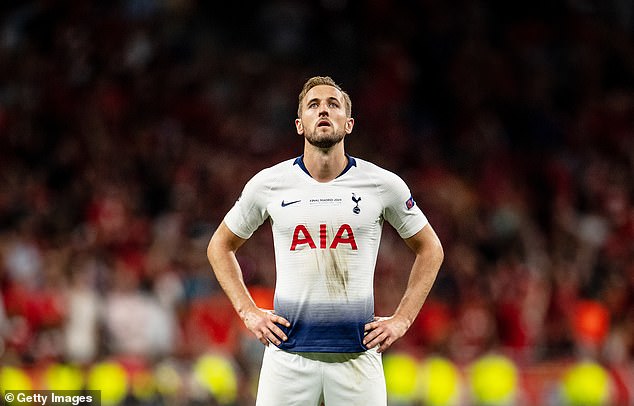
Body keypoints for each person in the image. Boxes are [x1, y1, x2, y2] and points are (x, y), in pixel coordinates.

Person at [207, 76, 444, 406]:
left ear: (348, 124)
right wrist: (248, 312)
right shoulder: (269, 184)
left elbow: (431, 248)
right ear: (299, 125)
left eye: (333, 104)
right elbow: (219, 245)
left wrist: (402, 319)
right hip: (287, 359)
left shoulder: (381, 184)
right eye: (313, 105)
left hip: (357, 357)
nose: (323, 110)